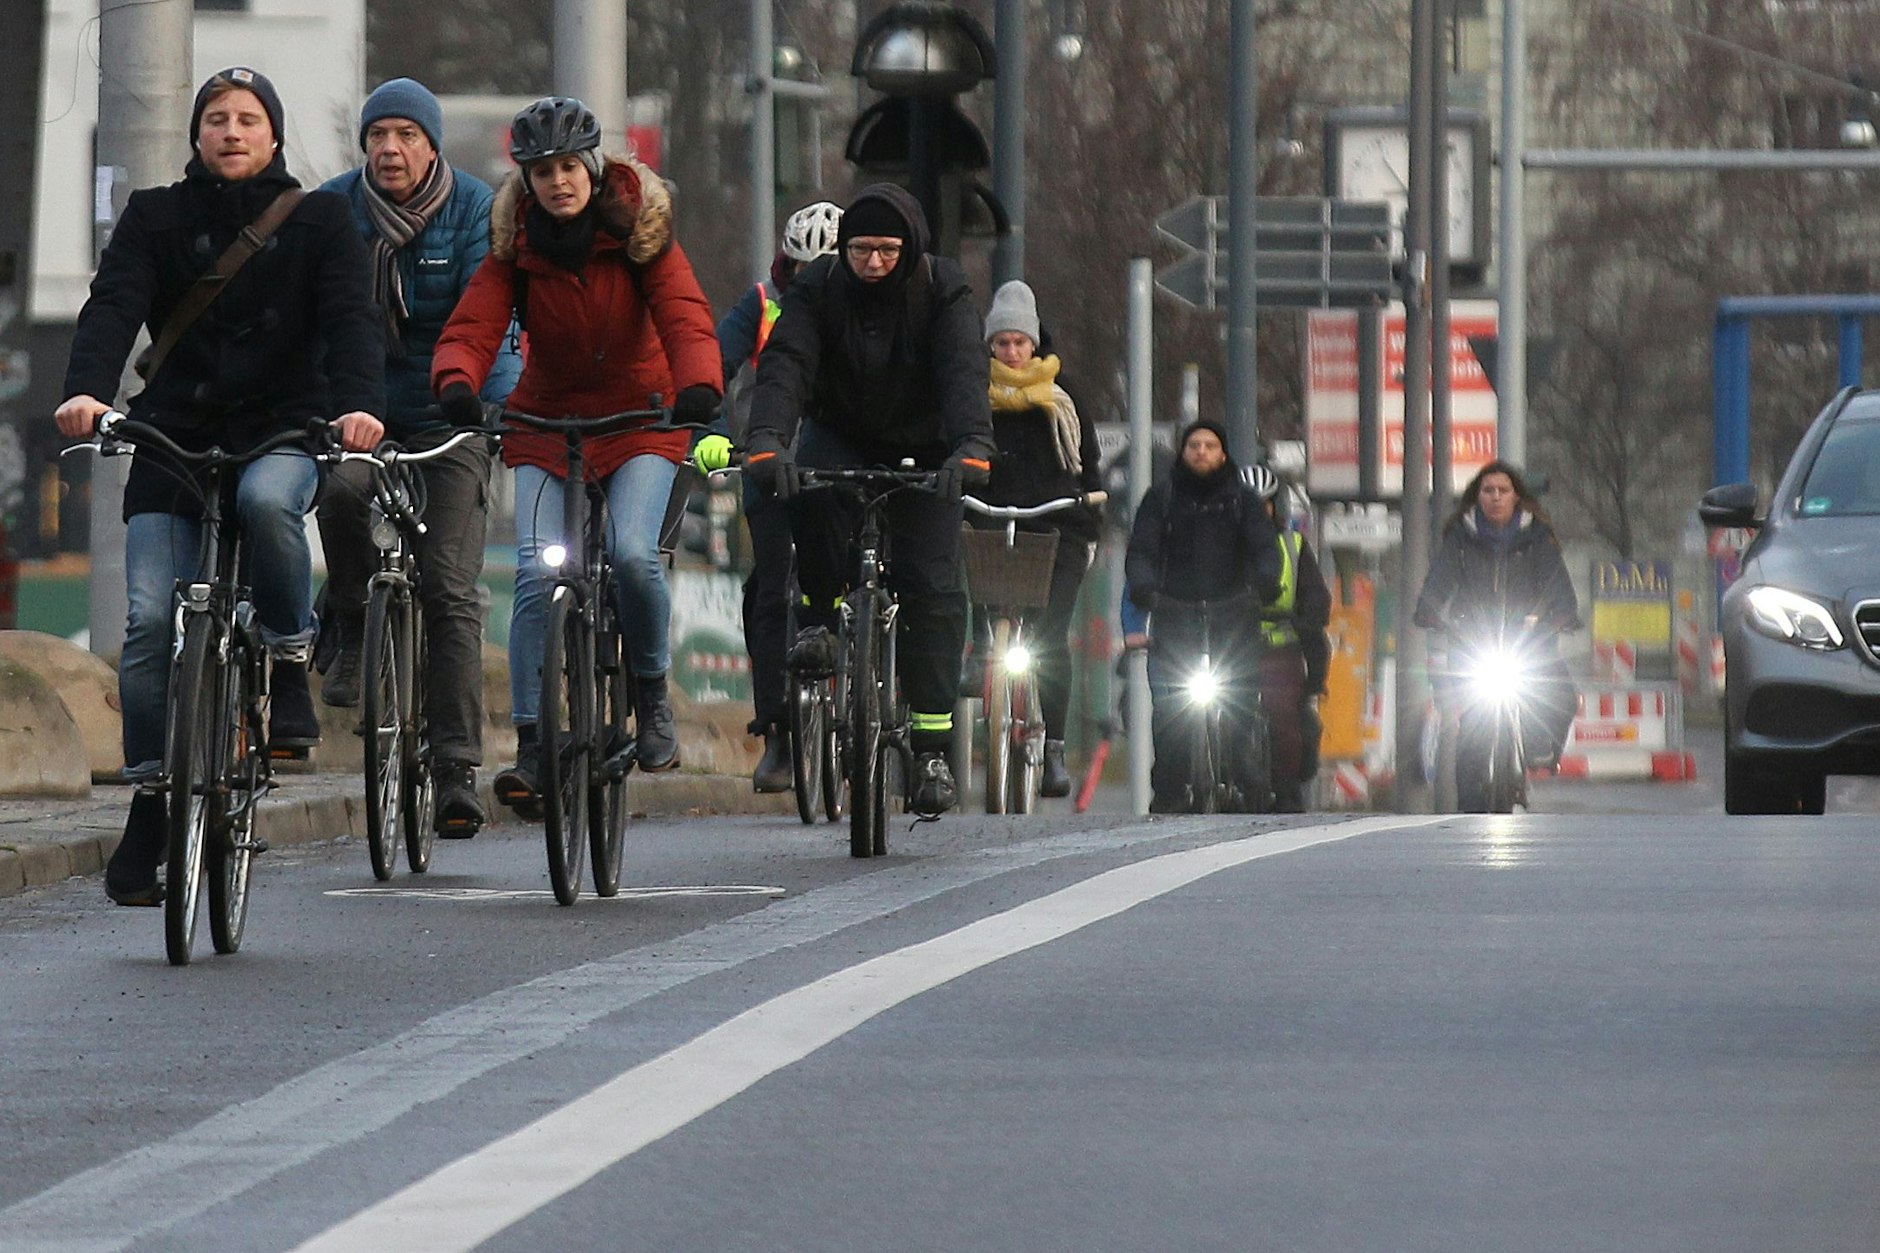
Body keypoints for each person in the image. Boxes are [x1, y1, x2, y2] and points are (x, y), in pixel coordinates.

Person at [54, 67, 384, 905]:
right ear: (196, 135)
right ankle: (154, 799)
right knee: (146, 622)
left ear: (273, 135)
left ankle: (283, 658)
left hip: (279, 426)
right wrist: (87, 389)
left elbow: (350, 318)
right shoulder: (156, 215)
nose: (231, 132)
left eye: (247, 119)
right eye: (215, 119)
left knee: (270, 504)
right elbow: (112, 302)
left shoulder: (318, 219)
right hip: (173, 430)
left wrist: (356, 409)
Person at [431, 96, 722, 816]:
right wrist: (458, 382)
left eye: (568, 167)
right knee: (535, 570)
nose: (557, 183)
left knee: (631, 555)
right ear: (525, 181)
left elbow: (684, 314)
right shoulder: (516, 247)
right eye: (541, 172)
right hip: (547, 422)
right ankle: (532, 740)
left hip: (641, 420)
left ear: (593, 168)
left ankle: (651, 694)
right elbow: (473, 323)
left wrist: (698, 386)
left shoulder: (638, 233)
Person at [743, 184, 996, 818]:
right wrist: (769, 439)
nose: (874, 263)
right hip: (842, 433)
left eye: (887, 250)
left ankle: (933, 748)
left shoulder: (945, 291)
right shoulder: (818, 287)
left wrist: (969, 447)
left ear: (909, 249)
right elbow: (787, 364)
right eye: (861, 250)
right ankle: (822, 622)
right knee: (806, 490)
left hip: (926, 445)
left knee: (933, 588)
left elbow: (964, 372)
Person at [313, 77, 520, 837]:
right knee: (338, 495)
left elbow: (488, 314)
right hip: (359, 412)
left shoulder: (472, 209)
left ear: (431, 145)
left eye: (406, 136)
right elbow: (316, 317)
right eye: (378, 136)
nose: (390, 150)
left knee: (449, 587)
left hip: (450, 412)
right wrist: (322, 405)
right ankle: (347, 617)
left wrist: (490, 409)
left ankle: (457, 764)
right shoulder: (334, 207)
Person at [712, 200, 843, 793]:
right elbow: (713, 365)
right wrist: (712, 430)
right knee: (770, 588)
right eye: (799, 270)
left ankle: (866, 692)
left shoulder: (864, 305)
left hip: (837, 458)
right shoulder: (761, 301)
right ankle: (777, 733)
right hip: (766, 456)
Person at [972, 279, 1103, 798]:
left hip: (1056, 528)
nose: (1011, 352)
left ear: (1034, 344)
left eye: (1019, 343)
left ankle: (1054, 746)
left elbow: (1088, 467)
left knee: (1051, 635)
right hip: (991, 520)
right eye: (1001, 343)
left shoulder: (1064, 399)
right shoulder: (972, 396)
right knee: (968, 580)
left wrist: (1088, 499)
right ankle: (979, 664)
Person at [1123, 419, 1282, 813]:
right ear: (1183, 451)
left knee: (1242, 697)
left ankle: (1247, 775)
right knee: (1171, 708)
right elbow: (1142, 549)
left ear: (1223, 453)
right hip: (1175, 614)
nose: (1201, 452)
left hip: (1233, 614)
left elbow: (1265, 549)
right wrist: (1144, 587)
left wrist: (1263, 583)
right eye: (1194, 445)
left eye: (1210, 445)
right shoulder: (1161, 499)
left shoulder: (1242, 502)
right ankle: (1171, 787)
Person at [1413, 459, 1580, 811]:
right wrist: (1431, 611)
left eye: (1503, 490)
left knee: (1562, 696)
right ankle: (1469, 809)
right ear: (1477, 497)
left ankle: (1539, 746)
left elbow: (1559, 588)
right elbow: (1438, 584)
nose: (1495, 497)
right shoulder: (1460, 538)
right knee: (1472, 726)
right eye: (1487, 491)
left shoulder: (1537, 538)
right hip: (1474, 644)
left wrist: (1560, 617)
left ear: (1516, 496)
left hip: (1529, 643)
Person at [1245, 464, 1331, 813]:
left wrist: (1306, 620)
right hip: (1231, 651)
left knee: (1284, 719)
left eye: (1262, 505)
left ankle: (1287, 789)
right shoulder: (1216, 547)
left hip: (1280, 651)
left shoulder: (1293, 546)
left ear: (1274, 508)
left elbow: (1316, 596)